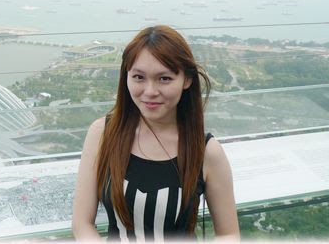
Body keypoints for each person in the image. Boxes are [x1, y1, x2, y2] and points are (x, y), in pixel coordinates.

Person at [72, 25, 239, 241]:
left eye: (164, 78)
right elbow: (82, 224)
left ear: (187, 80)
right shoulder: (103, 133)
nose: (150, 91)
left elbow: (228, 233)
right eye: (139, 77)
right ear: (126, 77)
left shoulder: (205, 151)